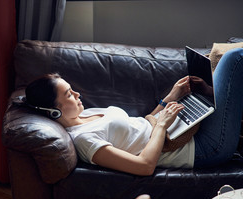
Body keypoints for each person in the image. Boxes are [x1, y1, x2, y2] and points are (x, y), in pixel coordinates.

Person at [24, 48, 243, 176]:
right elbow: (144, 166)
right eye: (69, 94)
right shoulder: (84, 140)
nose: (78, 94)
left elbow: (143, 125)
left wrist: (170, 98)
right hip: (203, 150)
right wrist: (162, 125)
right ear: (54, 111)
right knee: (234, 59)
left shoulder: (87, 114)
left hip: (182, 131)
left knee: (223, 58)